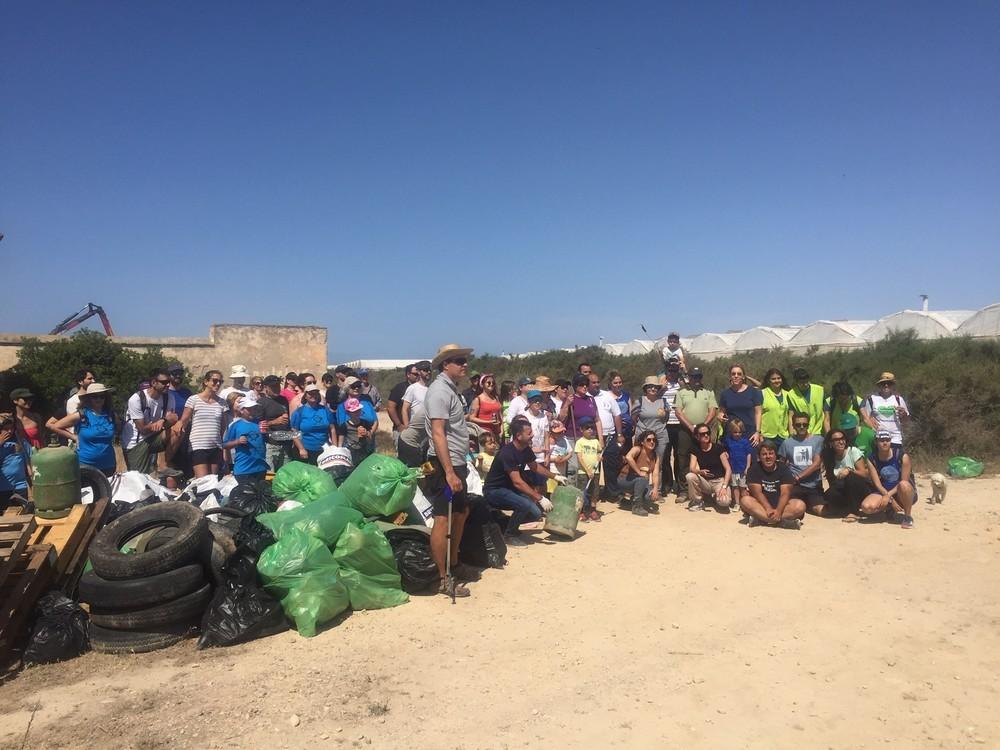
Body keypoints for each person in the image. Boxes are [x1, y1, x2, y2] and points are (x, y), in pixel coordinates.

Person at [424, 343, 475, 598]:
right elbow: (438, 433)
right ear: (445, 364)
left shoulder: (451, 389)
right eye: (459, 360)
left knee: (461, 513)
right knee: (443, 517)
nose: (465, 364)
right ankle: (443, 578)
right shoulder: (439, 392)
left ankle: (453, 563)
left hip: (457, 462)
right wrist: (449, 472)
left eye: (465, 360)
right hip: (445, 465)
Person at [483, 418, 563, 546]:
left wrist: (555, 476)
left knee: (535, 513)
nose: (533, 435)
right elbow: (517, 482)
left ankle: (503, 523)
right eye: (529, 433)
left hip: (509, 490)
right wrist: (540, 498)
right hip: (494, 491)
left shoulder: (525, 449)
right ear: (519, 436)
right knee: (525, 505)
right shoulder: (507, 453)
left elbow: (534, 467)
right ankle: (509, 536)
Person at [49, 383, 118, 476]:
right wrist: (74, 437)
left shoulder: (111, 415)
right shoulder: (81, 415)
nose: (98, 399)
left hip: (108, 465)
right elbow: (55, 426)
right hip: (85, 465)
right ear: (89, 398)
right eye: (95, 396)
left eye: (102, 396)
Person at [673, 368, 718, 503]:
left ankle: (705, 489)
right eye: (693, 377)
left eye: (698, 377)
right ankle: (683, 490)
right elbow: (678, 412)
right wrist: (691, 427)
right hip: (685, 430)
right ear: (689, 378)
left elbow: (712, 410)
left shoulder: (708, 392)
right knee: (683, 458)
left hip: (703, 431)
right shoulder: (681, 392)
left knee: (705, 457)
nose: (696, 379)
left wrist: (702, 427)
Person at [122, 368, 178, 475]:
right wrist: (161, 423)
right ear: (153, 383)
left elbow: (173, 418)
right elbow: (142, 429)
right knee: (138, 478)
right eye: (164, 382)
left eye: (169, 382)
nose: (168, 385)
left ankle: (164, 464)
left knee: (177, 429)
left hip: (154, 437)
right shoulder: (137, 399)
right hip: (136, 442)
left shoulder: (169, 397)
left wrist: (163, 420)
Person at [175, 371, 228, 478]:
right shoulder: (193, 399)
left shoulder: (222, 403)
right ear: (206, 382)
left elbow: (223, 428)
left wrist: (224, 449)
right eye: (215, 381)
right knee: (203, 481)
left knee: (213, 480)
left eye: (220, 381)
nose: (218, 384)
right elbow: (184, 420)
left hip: (215, 445)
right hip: (198, 445)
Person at [742, 441, 805, 529]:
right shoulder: (753, 469)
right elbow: (758, 493)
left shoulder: (784, 469)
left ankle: (762, 519)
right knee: (745, 500)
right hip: (761, 506)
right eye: (764, 454)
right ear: (759, 457)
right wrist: (768, 508)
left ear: (775, 456)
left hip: (782, 506)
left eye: (771, 453)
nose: (768, 457)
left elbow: (785, 493)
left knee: (800, 505)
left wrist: (779, 511)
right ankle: (781, 521)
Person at [821, 428, 881, 519]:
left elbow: (864, 474)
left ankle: (854, 512)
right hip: (843, 489)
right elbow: (831, 480)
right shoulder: (829, 457)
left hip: (860, 488)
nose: (841, 442)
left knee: (851, 477)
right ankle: (845, 507)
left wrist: (849, 470)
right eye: (836, 440)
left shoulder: (853, 451)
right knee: (830, 495)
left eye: (842, 439)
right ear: (830, 443)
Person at [865, 431, 916, 528]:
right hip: (884, 490)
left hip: (901, 491)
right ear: (876, 442)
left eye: (887, 440)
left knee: (904, 485)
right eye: (881, 440)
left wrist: (889, 496)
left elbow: (904, 481)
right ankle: (889, 509)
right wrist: (889, 498)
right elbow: (877, 484)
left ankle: (908, 517)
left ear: (891, 441)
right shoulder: (872, 459)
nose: (885, 443)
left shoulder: (902, 456)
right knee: (867, 507)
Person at [779, 412, 827, 515]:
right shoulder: (787, 443)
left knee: (820, 510)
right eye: (798, 425)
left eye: (804, 424)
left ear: (808, 425)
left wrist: (798, 477)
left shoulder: (818, 440)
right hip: (795, 486)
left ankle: (809, 504)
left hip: (813, 485)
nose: (802, 427)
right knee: (795, 507)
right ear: (793, 425)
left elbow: (816, 464)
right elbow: (781, 464)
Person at [588, 372, 624, 500]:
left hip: (610, 436)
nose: (597, 384)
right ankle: (593, 494)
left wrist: (619, 434)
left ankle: (612, 493)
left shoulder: (607, 395)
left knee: (611, 466)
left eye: (598, 382)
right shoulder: (585, 397)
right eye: (593, 382)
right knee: (593, 465)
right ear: (587, 384)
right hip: (592, 437)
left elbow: (617, 415)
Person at [559, 373, 603, 473]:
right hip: (573, 438)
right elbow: (561, 418)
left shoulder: (591, 399)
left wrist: (600, 439)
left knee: (590, 465)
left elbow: (597, 420)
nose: (584, 387)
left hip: (590, 438)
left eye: (586, 385)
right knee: (575, 467)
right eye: (581, 385)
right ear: (575, 386)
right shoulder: (569, 399)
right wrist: (567, 404)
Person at [631, 377, 670, 484]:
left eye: (655, 387)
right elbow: (633, 417)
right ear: (645, 388)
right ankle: (641, 487)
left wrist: (664, 413)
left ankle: (656, 489)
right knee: (641, 463)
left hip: (659, 436)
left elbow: (666, 419)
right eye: (650, 386)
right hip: (643, 436)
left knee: (658, 464)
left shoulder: (663, 401)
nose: (653, 389)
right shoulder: (640, 401)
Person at [222, 393, 267, 484]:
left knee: (260, 492)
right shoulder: (235, 425)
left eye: (254, 408)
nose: (252, 411)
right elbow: (225, 445)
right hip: (244, 470)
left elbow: (264, 441)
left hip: (260, 468)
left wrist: (266, 433)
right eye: (249, 409)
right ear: (242, 410)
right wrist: (237, 442)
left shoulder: (259, 424)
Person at [685, 423, 732, 511]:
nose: (706, 435)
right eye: (702, 434)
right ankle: (697, 501)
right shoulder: (695, 449)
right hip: (705, 482)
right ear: (697, 437)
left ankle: (713, 496)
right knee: (690, 476)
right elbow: (692, 468)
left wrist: (724, 487)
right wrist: (700, 472)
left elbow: (728, 469)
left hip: (719, 481)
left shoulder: (718, 448)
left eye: (708, 433)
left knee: (724, 502)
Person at [397, 362, 432, 468]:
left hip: (426, 433)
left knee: (425, 465)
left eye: (430, 370)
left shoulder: (431, 389)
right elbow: (405, 408)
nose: (428, 372)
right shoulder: (413, 388)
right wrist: (406, 425)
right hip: (413, 432)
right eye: (425, 370)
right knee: (412, 466)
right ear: (419, 372)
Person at [861, 372, 910, 448]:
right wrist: (872, 425)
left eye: (889, 383)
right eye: (883, 383)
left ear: (893, 385)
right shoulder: (871, 399)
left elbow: (906, 421)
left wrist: (903, 414)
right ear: (880, 385)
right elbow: (866, 418)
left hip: (896, 438)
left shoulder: (898, 399)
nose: (886, 385)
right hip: (879, 439)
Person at [718, 364, 763, 446]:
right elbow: (721, 412)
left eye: (739, 374)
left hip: (750, 435)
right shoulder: (725, 394)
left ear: (743, 376)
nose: (736, 376)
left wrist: (758, 432)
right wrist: (720, 416)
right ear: (730, 376)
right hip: (731, 435)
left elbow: (758, 413)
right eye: (733, 374)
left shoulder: (753, 392)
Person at [290, 384, 336, 464]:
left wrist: (335, 447)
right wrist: (301, 449)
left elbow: (332, 429)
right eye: (310, 393)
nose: (313, 395)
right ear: (305, 396)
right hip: (306, 450)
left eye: (315, 393)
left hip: (324, 450)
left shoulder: (325, 410)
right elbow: (294, 431)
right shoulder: (299, 412)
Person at [620, 430, 662, 516]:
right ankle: (637, 507)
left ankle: (630, 501)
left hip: (640, 483)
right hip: (624, 480)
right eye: (648, 440)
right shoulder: (637, 449)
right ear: (642, 442)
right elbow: (628, 457)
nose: (652, 442)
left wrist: (655, 489)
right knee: (642, 478)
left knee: (650, 496)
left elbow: (655, 474)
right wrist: (639, 472)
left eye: (654, 440)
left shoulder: (655, 456)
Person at [658, 360, 684, 495]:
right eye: (670, 370)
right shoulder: (661, 385)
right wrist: (661, 390)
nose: (672, 373)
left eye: (675, 371)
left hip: (679, 424)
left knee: (679, 456)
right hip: (665, 424)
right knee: (665, 455)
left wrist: (683, 385)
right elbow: (654, 398)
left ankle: (679, 485)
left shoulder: (681, 385)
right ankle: (667, 483)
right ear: (666, 371)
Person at [46, 369, 94, 438]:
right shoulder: (73, 401)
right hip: (81, 440)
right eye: (89, 379)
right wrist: (73, 437)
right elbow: (73, 424)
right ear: (80, 382)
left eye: (93, 378)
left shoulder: (96, 399)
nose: (93, 381)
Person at [259, 375, 292, 471]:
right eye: (273, 386)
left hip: (286, 442)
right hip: (271, 444)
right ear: (266, 387)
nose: (277, 388)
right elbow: (258, 425)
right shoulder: (261, 402)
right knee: (270, 475)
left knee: (286, 474)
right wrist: (274, 422)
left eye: (278, 385)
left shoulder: (284, 400)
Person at [0, 412, 31, 511]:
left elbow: (31, 458)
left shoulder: (20, 442)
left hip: (20, 487)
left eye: (11, 428)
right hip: (3, 489)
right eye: (6, 429)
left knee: (21, 514)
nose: (9, 431)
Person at [573, 417, 602, 520]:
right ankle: (581, 511)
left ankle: (593, 510)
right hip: (583, 472)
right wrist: (587, 470)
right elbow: (580, 458)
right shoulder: (580, 442)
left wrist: (600, 457)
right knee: (582, 492)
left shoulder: (595, 441)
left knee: (595, 491)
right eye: (587, 428)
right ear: (581, 430)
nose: (590, 430)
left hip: (595, 471)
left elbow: (599, 452)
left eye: (591, 428)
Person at [335, 397, 376, 467]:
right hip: (350, 450)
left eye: (358, 410)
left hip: (364, 450)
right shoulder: (344, 425)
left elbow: (370, 438)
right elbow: (340, 442)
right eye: (354, 411)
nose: (356, 413)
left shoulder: (365, 423)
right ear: (348, 413)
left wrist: (366, 433)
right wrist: (339, 452)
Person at [723, 418, 753, 510]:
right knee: (735, 487)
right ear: (731, 431)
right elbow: (724, 448)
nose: (737, 434)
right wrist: (725, 452)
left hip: (743, 469)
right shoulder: (728, 440)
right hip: (733, 468)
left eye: (739, 432)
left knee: (743, 487)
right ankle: (737, 503)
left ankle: (746, 504)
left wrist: (748, 466)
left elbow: (748, 454)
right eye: (735, 432)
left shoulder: (745, 441)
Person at [785, 368, 825, 437]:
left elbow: (826, 412)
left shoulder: (819, 390)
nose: (805, 384)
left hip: (819, 430)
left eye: (807, 381)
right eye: (802, 383)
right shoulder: (791, 394)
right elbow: (791, 414)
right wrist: (792, 432)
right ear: (796, 382)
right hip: (802, 430)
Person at [386, 364, 418, 445]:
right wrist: (399, 425)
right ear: (408, 374)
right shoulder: (399, 388)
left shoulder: (422, 388)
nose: (418, 376)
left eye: (419, 374)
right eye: (415, 374)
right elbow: (390, 407)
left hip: (418, 430)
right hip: (402, 429)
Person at [759, 368, 790, 449]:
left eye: (778, 378)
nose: (776, 381)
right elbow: (758, 414)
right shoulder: (762, 393)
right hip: (767, 436)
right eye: (773, 379)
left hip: (783, 436)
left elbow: (790, 415)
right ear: (768, 381)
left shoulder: (788, 394)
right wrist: (759, 433)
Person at [468, 373, 503, 438]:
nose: (491, 384)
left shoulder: (496, 398)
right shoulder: (478, 399)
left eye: (493, 383)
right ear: (482, 384)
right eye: (489, 383)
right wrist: (488, 422)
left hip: (497, 433)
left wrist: (502, 430)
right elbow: (471, 418)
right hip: (484, 434)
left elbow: (500, 416)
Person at [521, 390, 550, 465]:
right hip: (527, 457)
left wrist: (547, 456)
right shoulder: (523, 417)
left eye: (539, 400)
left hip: (541, 457)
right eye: (534, 400)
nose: (537, 403)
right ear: (529, 402)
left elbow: (546, 437)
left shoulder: (544, 417)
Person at [608, 371, 633, 443]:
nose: (618, 385)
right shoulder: (606, 396)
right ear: (610, 383)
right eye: (615, 383)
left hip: (627, 429)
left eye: (620, 382)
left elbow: (630, 412)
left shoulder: (626, 395)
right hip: (613, 430)